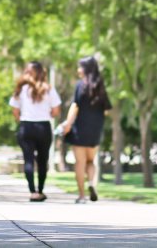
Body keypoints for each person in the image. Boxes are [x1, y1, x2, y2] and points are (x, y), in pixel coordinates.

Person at [59, 56, 111, 204]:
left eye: (80, 67)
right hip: (95, 129)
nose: (78, 70)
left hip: (80, 128)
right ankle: (92, 184)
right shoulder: (100, 87)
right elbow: (106, 110)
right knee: (90, 161)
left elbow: (76, 106)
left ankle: (82, 195)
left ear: (86, 69)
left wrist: (67, 124)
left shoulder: (80, 86)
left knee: (80, 163)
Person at [10, 62, 60, 202]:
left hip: (26, 126)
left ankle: (33, 191)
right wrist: (47, 114)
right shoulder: (49, 89)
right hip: (43, 127)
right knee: (43, 161)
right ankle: (41, 190)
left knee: (28, 160)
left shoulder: (21, 89)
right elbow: (56, 110)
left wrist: (22, 119)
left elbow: (15, 110)